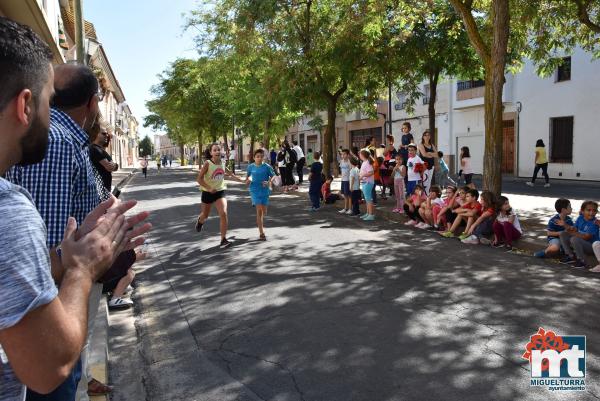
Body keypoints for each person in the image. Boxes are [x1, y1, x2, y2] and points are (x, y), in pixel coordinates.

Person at [0, 18, 150, 401]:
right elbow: (49, 367)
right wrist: (81, 265)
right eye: (49, 100)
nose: (54, 115)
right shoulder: (11, 207)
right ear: (26, 105)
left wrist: (70, 250)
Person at [195, 143, 243, 248]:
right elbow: (199, 179)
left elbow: (230, 174)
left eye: (218, 150)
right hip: (207, 192)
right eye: (215, 150)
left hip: (219, 191)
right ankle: (200, 221)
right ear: (211, 153)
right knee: (205, 215)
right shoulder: (208, 163)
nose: (217, 152)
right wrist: (209, 188)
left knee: (223, 213)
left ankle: (223, 239)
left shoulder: (223, 162)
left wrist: (242, 180)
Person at [245, 149, 276, 241]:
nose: (259, 158)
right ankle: (261, 232)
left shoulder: (267, 167)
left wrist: (269, 182)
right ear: (254, 157)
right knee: (259, 211)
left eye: (261, 156)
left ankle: (261, 225)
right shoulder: (250, 167)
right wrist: (248, 180)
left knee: (264, 211)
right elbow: (247, 178)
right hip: (254, 190)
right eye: (257, 156)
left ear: (263, 157)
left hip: (264, 190)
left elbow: (273, 176)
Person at [559, 201, 599, 268]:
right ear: (582, 211)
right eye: (588, 210)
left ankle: (582, 261)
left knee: (574, 239)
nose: (591, 213)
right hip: (581, 242)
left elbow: (586, 237)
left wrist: (573, 233)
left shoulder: (594, 223)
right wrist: (565, 225)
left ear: (596, 212)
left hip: (591, 247)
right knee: (563, 233)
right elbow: (574, 229)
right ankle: (570, 256)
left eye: (594, 210)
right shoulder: (580, 218)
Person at [89, 127, 118, 192]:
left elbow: (114, 167)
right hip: (101, 191)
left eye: (107, 134)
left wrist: (115, 165)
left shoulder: (100, 149)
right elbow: (109, 167)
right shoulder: (95, 149)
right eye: (104, 134)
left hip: (104, 189)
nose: (107, 136)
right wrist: (114, 165)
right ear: (96, 134)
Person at [417, 129, 437, 194]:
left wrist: (429, 153)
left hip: (431, 166)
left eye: (428, 135)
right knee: (425, 182)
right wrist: (431, 154)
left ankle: (427, 195)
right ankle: (424, 196)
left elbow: (437, 154)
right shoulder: (421, 145)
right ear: (423, 137)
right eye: (425, 135)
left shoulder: (432, 145)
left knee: (429, 182)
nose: (427, 136)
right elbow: (424, 154)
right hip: (424, 166)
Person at [359, 150, 376, 221]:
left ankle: (371, 214)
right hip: (365, 182)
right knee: (367, 199)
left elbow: (371, 172)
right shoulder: (364, 162)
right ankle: (368, 213)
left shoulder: (367, 163)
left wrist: (362, 175)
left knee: (368, 199)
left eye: (360, 154)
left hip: (368, 182)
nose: (359, 155)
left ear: (363, 155)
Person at [338, 149, 352, 214]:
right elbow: (341, 170)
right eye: (342, 154)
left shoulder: (349, 162)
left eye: (344, 154)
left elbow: (352, 170)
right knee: (345, 195)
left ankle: (350, 209)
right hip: (343, 180)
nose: (343, 155)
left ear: (348, 155)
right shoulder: (341, 161)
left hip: (348, 180)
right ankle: (345, 208)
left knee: (349, 195)